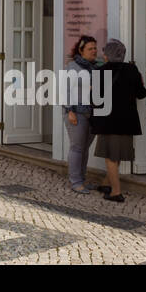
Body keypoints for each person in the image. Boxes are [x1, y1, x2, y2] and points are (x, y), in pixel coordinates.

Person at [90, 38, 146, 202]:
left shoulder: (100, 72)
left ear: (107, 55)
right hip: (127, 120)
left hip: (108, 120)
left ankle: (116, 192)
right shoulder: (132, 70)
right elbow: (142, 94)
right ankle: (106, 183)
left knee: (111, 157)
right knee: (117, 154)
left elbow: (95, 99)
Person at [63, 35, 99, 194]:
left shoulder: (96, 67)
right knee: (77, 148)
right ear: (81, 50)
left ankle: (82, 179)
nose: (94, 51)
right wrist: (69, 111)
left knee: (85, 148)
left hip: (92, 113)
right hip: (76, 112)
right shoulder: (73, 67)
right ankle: (75, 181)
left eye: (95, 48)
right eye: (90, 48)